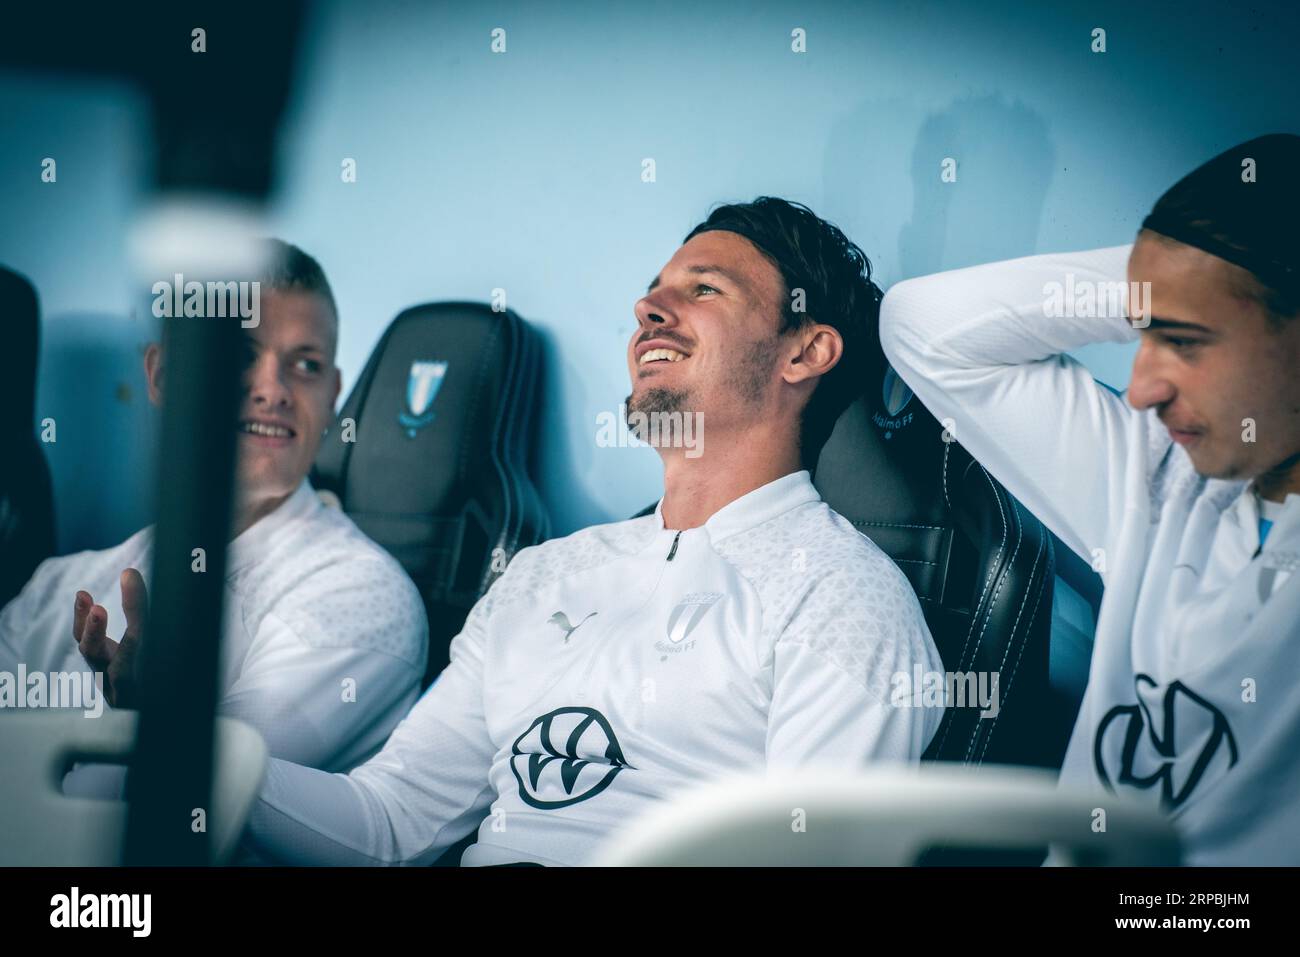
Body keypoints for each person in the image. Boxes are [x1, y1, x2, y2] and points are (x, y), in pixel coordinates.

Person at [246, 197, 944, 866]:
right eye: (652, 292)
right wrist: (193, 753)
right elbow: (389, 823)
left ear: (805, 352)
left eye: (705, 290)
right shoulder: (541, 574)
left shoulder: (845, 598)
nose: (647, 310)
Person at [880, 134, 1300, 865]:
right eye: (1143, 335)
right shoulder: (1164, 476)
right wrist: (1171, 276)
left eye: (1187, 342)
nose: (1139, 390)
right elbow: (923, 327)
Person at [0, 240, 428, 787]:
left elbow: (137, 805)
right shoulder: (58, 584)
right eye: (240, 355)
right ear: (160, 377)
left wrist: (146, 721)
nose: (273, 390)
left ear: (332, 398)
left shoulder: (362, 599)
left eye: (306, 364)